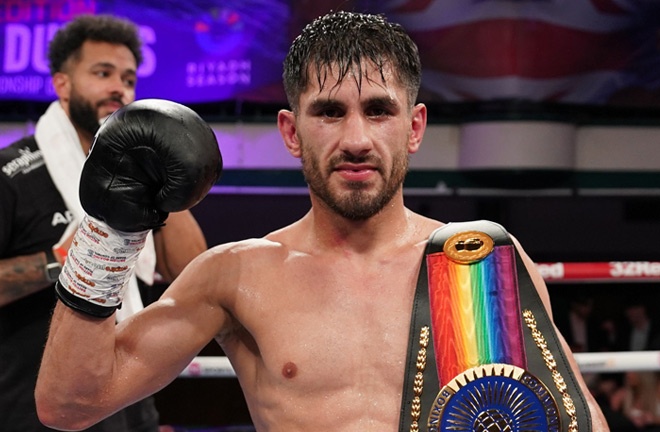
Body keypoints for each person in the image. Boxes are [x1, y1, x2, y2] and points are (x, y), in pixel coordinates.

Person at [35, 11, 609, 431]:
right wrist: (108, 233)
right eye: (330, 112)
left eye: (379, 110)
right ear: (291, 131)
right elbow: (70, 404)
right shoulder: (237, 275)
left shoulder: (479, 264)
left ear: (414, 127)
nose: (356, 139)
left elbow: (576, 421)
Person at [0, 15, 208, 432]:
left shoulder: (141, 172)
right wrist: (75, 259)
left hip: (129, 407)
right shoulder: (12, 174)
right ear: (62, 84)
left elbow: (190, 271)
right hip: (31, 413)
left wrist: (163, 179)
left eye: (128, 78)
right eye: (102, 73)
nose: (120, 88)